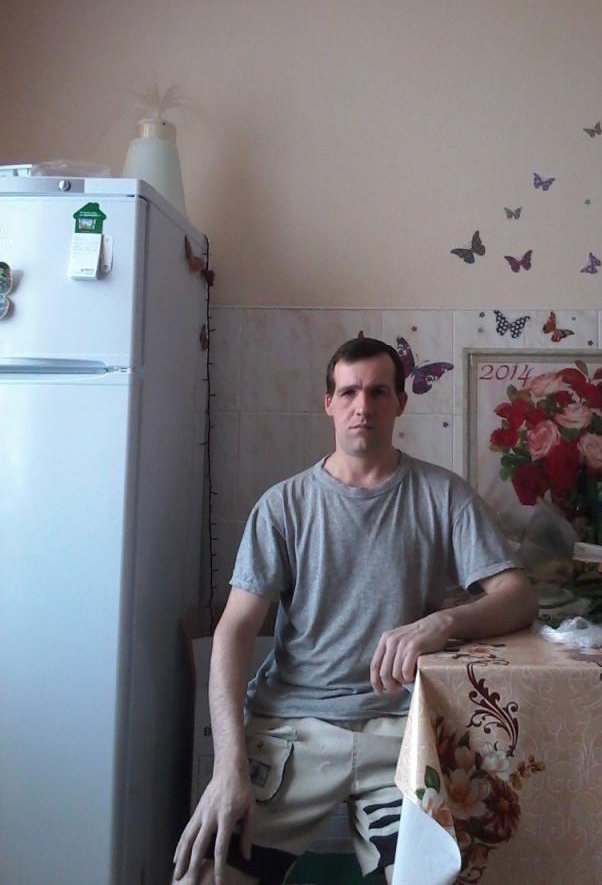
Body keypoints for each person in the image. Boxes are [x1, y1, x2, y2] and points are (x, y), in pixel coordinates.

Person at [172, 336, 538, 885]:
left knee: (433, 879)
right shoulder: (283, 506)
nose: (361, 406)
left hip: (400, 734)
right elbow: (235, 632)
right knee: (203, 877)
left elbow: (519, 595)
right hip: (293, 730)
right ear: (328, 403)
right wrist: (228, 766)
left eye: (377, 392)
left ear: (400, 402)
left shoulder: (443, 495)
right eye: (348, 392)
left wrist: (441, 623)